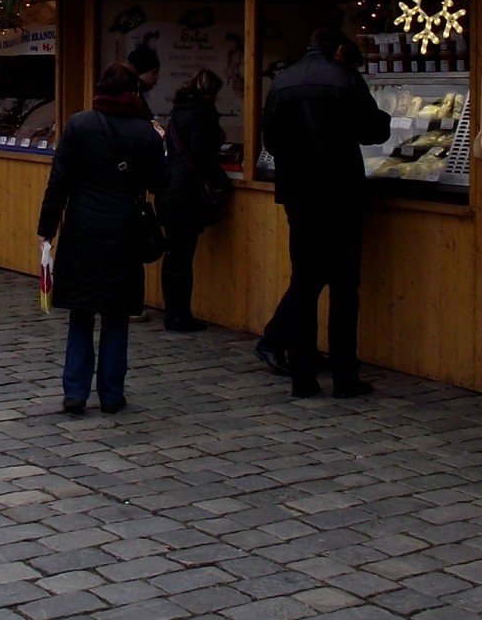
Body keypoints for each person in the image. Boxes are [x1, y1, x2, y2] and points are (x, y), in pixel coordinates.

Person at [257, 28, 392, 400]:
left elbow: (271, 140)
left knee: (304, 283)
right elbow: (372, 131)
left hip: (299, 196)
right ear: (337, 49)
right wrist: (383, 120)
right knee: (345, 288)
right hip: (341, 193)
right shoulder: (345, 78)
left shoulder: (282, 81)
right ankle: (345, 376)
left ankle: (303, 376)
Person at [37, 63, 166, 416]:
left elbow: (59, 181)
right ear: (133, 93)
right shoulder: (146, 133)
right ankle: (111, 394)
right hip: (125, 231)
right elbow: (160, 183)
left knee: (81, 313)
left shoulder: (79, 125)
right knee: (116, 315)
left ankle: (75, 391)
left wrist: (47, 228)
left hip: (83, 229)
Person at [157, 69, 228, 333]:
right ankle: (180, 314)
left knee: (173, 255)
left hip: (170, 188)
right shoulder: (203, 115)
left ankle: (171, 311)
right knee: (183, 258)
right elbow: (204, 157)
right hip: (187, 193)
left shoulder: (178, 112)